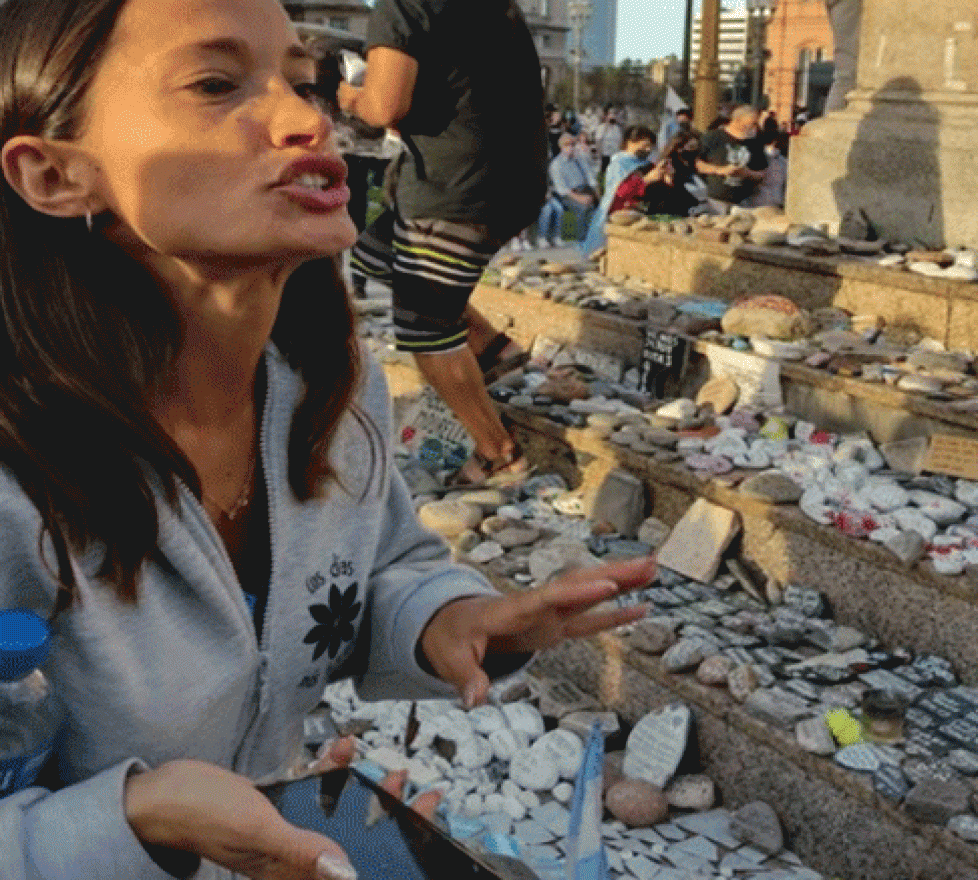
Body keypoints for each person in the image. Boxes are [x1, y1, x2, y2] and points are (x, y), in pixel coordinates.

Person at [0, 2, 655, 880]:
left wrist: (449, 622)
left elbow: (380, 569)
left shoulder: (331, 401)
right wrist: (134, 819)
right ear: (52, 175)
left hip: (278, 835)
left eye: (305, 82)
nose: (311, 118)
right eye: (215, 84)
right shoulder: (18, 469)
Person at [339, 0, 548, 483]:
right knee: (376, 254)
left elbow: (385, 107)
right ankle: (493, 349)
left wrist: (351, 97)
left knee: (425, 330)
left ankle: (498, 453)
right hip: (512, 177)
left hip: (453, 186)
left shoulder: (403, 5)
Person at [581, 125, 656, 256]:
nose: (648, 149)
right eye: (645, 145)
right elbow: (621, 191)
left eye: (650, 146)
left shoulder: (644, 163)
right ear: (630, 142)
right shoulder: (619, 163)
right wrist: (647, 180)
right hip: (620, 210)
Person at [610, 131, 704, 218]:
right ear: (679, 148)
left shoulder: (690, 166)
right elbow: (639, 193)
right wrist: (666, 179)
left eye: (697, 147)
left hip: (685, 213)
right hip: (664, 215)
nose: (695, 150)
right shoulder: (663, 165)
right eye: (691, 147)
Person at [696, 105, 767, 213]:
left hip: (745, 202)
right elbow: (698, 164)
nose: (755, 127)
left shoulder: (755, 143)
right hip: (716, 201)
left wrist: (747, 173)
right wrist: (720, 170)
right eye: (752, 123)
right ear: (737, 120)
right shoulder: (712, 137)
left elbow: (762, 173)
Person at [548, 132, 598, 243]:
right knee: (583, 208)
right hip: (568, 194)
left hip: (584, 189)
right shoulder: (556, 164)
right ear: (561, 147)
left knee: (599, 208)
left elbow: (589, 176)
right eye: (567, 145)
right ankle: (582, 240)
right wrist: (580, 198)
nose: (570, 147)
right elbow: (562, 189)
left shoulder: (579, 159)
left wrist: (596, 191)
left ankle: (596, 238)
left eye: (572, 144)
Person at [592, 110, 623, 177]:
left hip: (614, 155)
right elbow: (598, 141)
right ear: (606, 116)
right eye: (610, 114)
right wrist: (599, 153)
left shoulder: (617, 128)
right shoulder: (601, 127)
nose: (612, 116)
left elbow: (620, 141)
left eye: (614, 115)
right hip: (604, 155)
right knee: (604, 174)